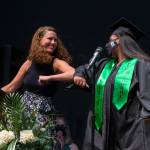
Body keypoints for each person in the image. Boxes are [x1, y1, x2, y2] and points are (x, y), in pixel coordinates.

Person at [73, 18, 150, 150]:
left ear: (118, 42)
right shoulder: (105, 65)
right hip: (105, 129)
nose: (108, 44)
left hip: (130, 131)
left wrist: (143, 121)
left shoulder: (140, 65)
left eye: (110, 41)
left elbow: (148, 97)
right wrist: (79, 74)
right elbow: (84, 69)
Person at [1, 26, 75, 131]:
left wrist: (50, 78)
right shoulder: (29, 62)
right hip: (23, 115)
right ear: (39, 39)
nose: (53, 42)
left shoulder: (56, 63)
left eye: (55, 40)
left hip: (43, 116)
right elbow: (11, 87)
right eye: (50, 39)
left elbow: (74, 74)